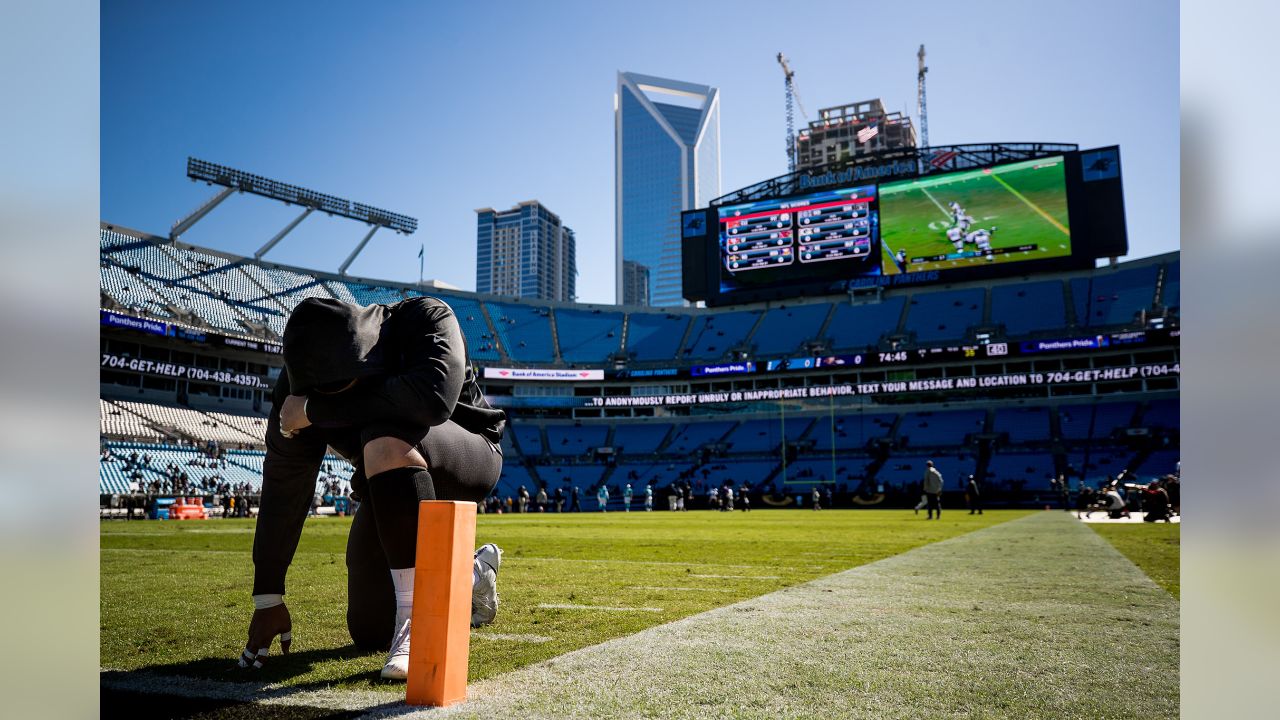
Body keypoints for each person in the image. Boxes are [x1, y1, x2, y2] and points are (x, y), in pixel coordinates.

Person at [241, 296, 507, 681]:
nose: (329, 400)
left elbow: (431, 401)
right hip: (390, 482)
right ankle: (472, 574)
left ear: (364, 361)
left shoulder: (427, 318)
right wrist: (268, 597)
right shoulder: (302, 376)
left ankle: (419, 622)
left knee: (386, 433)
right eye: (317, 394)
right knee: (369, 629)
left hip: (468, 454)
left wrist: (315, 411)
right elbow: (286, 479)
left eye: (338, 390)